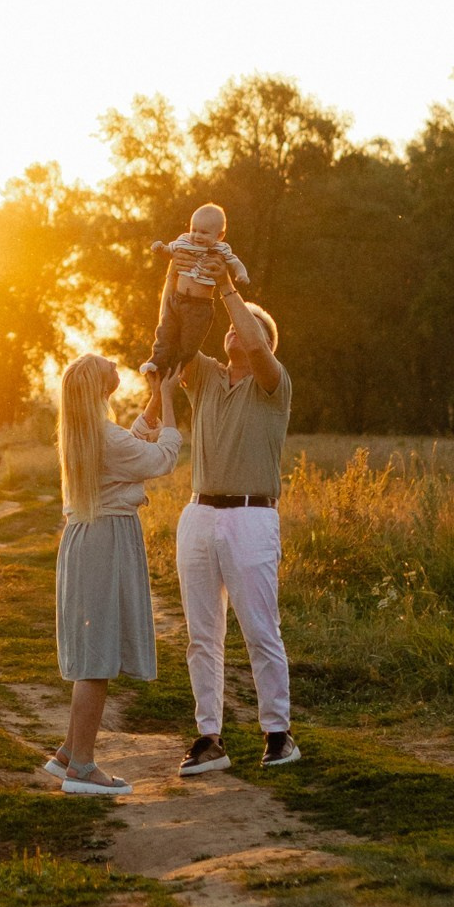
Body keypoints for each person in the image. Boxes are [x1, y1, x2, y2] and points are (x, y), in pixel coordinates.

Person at [174, 273, 300, 774]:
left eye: (247, 325)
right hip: (199, 514)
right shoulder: (205, 376)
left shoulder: (273, 384)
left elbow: (254, 340)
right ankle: (209, 738)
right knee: (201, 635)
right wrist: (179, 271)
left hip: (252, 516)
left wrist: (228, 287)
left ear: (263, 342)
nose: (233, 328)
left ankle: (279, 734)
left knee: (260, 630)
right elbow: (177, 331)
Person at [44, 353, 180, 801]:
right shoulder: (104, 437)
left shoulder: (87, 433)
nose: (115, 366)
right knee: (98, 657)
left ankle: (69, 751)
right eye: (108, 366)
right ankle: (82, 767)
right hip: (104, 541)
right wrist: (171, 401)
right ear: (98, 386)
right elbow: (161, 458)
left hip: (88, 538)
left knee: (93, 648)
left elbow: (131, 443)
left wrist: (155, 399)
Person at [140, 203, 248, 384]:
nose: (197, 236)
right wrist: (160, 248)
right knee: (165, 332)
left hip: (199, 307)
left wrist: (241, 274)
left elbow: (235, 262)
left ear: (219, 235)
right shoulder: (184, 240)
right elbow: (169, 252)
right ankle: (156, 361)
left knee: (189, 343)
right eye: (194, 230)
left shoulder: (221, 249)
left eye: (204, 233)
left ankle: (175, 369)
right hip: (177, 299)